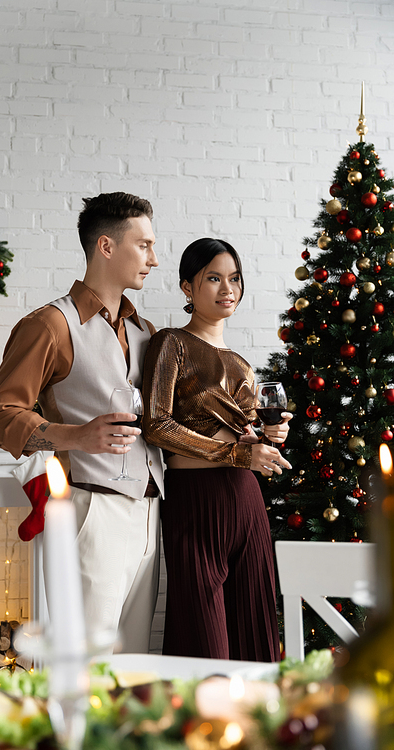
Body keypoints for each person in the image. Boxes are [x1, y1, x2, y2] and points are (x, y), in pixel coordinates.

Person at [0, 192, 164, 653]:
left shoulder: (148, 333)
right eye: (143, 245)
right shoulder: (49, 324)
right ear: (106, 246)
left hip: (149, 514)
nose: (154, 259)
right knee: (86, 668)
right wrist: (77, 436)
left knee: (133, 665)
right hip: (91, 513)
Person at [142, 237, 292, 662]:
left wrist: (267, 439)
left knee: (254, 623)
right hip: (196, 499)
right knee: (202, 634)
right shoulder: (172, 343)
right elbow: (157, 425)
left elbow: (245, 437)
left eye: (234, 278)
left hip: (246, 499)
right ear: (187, 288)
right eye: (213, 278)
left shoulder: (243, 363)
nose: (227, 288)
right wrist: (238, 454)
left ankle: (259, 726)